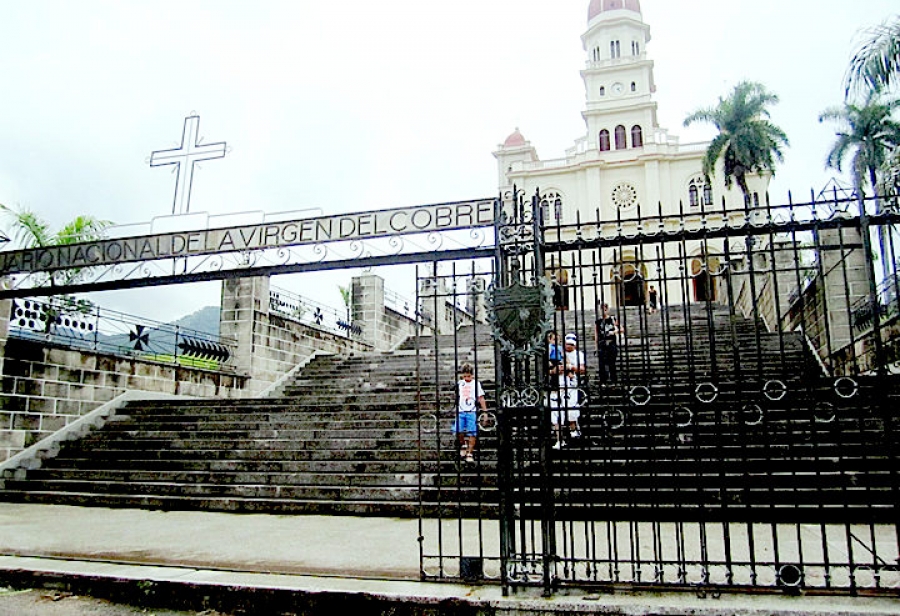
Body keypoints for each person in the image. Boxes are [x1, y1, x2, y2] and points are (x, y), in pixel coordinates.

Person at [550, 332, 585, 449]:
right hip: (557, 385)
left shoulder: (578, 354)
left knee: (571, 409)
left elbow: (582, 369)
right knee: (557, 412)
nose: (569, 346)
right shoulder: (558, 351)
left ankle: (573, 430)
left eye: (571, 344)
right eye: (567, 344)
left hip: (571, 385)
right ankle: (561, 438)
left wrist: (569, 368)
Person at [453, 363, 487, 464]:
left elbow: (481, 398)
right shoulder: (460, 383)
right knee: (458, 430)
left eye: (469, 376)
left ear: (472, 375)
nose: (467, 378)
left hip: (471, 411)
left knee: (472, 432)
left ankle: (469, 453)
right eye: (465, 376)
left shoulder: (476, 384)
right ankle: (463, 444)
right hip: (461, 410)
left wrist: (485, 411)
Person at [595, 303, 621, 385]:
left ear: (608, 310)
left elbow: (621, 329)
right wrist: (596, 347)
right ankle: (603, 381)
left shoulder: (612, 319)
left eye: (605, 309)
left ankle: (614, 380)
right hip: (602, 344)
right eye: (602, 309)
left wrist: (613, 332)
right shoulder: (598, 322)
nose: (603, 311)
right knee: (601, 364)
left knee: (611, 363)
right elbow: (596, 335)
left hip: (611, 343)